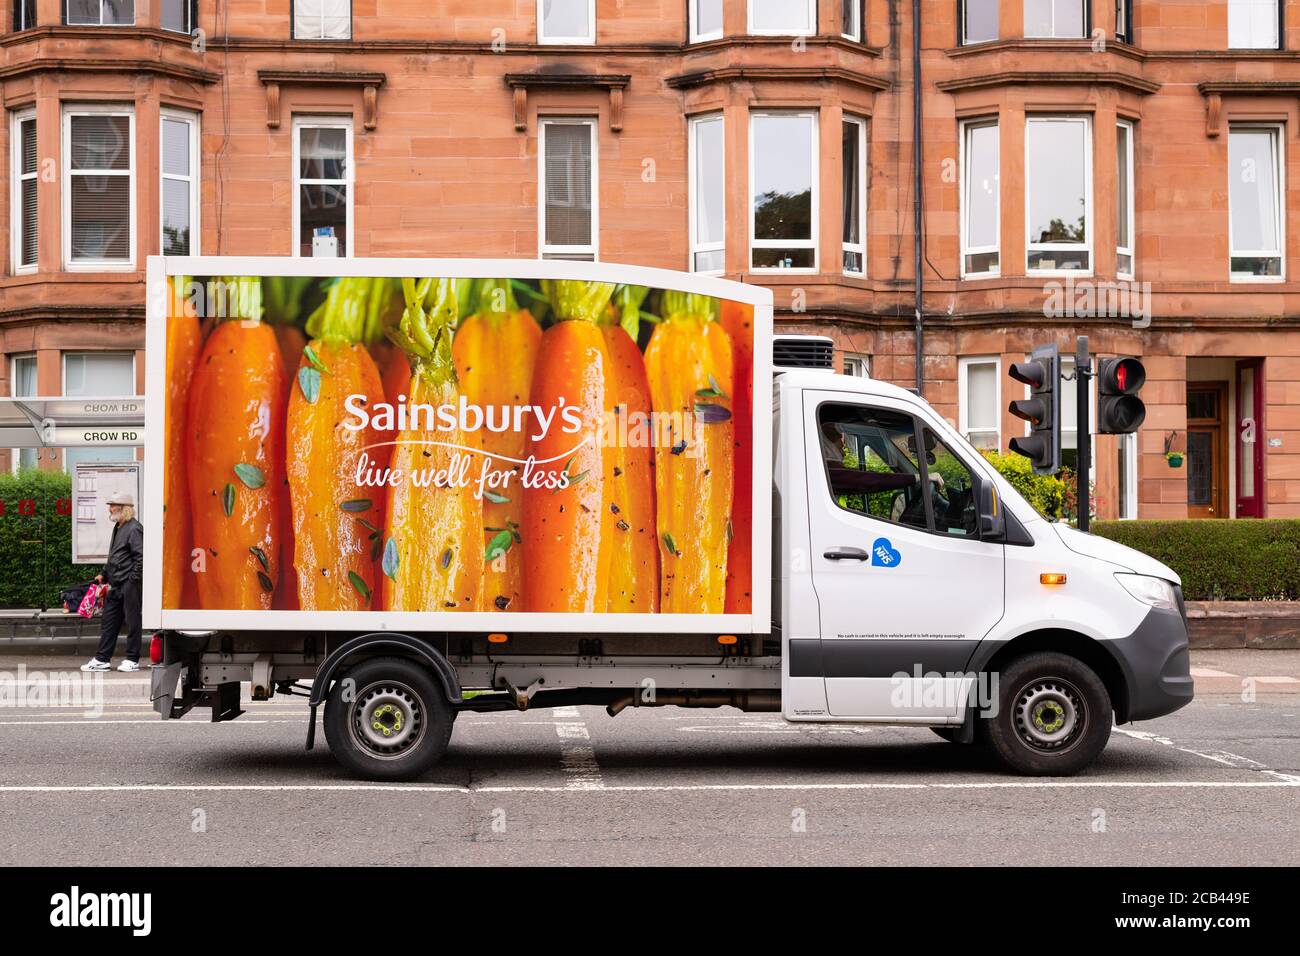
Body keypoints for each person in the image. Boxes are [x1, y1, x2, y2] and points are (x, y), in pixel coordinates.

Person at [80, 492, 144, 673]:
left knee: (133, 622)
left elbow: (140, 557)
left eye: (113, 505)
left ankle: (132, 659)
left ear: (124, 508)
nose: (110, 509)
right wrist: (103, 575)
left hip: (129, 584)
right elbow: (114, 557)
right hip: (116, 584)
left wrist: (132, 580)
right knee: (109, 621)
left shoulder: (134, 528)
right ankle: (102, 659)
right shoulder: (119, 527)